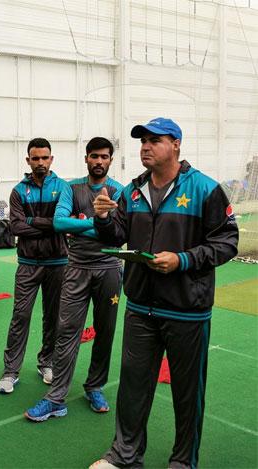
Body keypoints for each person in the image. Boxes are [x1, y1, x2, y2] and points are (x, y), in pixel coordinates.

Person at [89, 118, 238, 469]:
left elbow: (227, 241)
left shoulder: (205, 189)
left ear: (176, 145)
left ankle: (183, 462)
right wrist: (102, 218)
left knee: (187, 393)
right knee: (132, 387)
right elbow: (115, 235)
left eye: (154, 140)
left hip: (187, 310)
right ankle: (124, 455)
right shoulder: (132, 190)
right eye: (142, 141)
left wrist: (184, 259)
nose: (145, 146)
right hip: (141, 306)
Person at [23, 137, 124, 421]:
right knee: (66, 331)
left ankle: (95, 386)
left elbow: (122, 233)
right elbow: (59, 223)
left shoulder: (120, 191)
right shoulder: (71, 187)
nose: (99, 161)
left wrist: (82, 228)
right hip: (77, 267)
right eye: (94, 156)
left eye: (104, 156)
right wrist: (99, 223)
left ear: (111, 160)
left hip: (109, 269)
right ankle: (56, 397)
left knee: (105, 331)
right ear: (86, 159)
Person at [0, 138, 69, 393]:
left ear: (51, 159)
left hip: (58, 262)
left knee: (53, 317)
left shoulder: (63, 188)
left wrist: (32, 221)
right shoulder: (18, 191)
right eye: (35, 158)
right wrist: (48, 224)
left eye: (44, 157)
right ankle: (10, 371)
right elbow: (16, 227)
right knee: (21, 315)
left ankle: (46, 362)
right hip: (28, 263)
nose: (40, 162)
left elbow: (62, 223)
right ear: (27, 160)